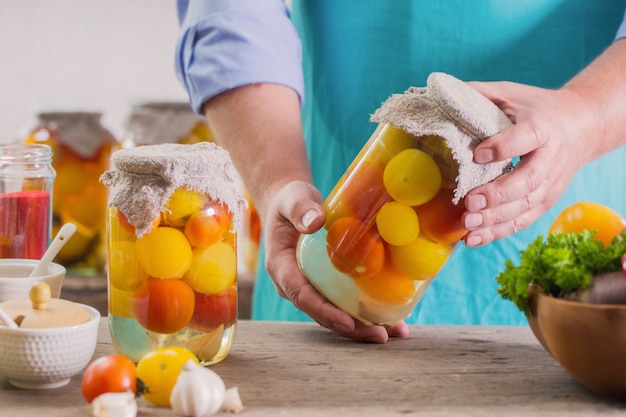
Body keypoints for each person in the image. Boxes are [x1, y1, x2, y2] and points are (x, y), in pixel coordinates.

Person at [175, 0, 626, 343]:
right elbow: (232, 12)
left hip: (573, 218)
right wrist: (275, 182)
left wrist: (583, 117)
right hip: (320, 218)